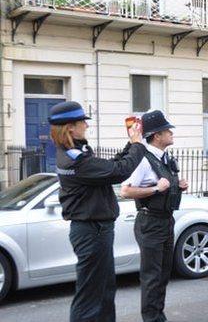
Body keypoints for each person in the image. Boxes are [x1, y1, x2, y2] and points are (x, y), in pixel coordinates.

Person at [49, 101, 146, 322]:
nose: (86, 125)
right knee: (91, 297)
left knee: (103, 292)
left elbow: (108, 168)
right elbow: (119, 171)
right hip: (92, 231)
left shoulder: (76, 151)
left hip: (96, 230)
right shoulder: (75, 160)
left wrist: (130, 144)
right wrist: (137, 145)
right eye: (82, 121)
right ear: (70, 127)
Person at [120, 110, 188, 322]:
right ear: (157, 135)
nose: (171, 133)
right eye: (168, 130)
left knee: (163, 275)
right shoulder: (143, 159)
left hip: (166, 220)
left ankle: (158, 316)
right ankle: (151, 318)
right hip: (150, 222)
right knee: (151, 277)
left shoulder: (164, 157)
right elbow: (126, 190)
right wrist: (156, 189)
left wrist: (177, 186)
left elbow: (164, 184)